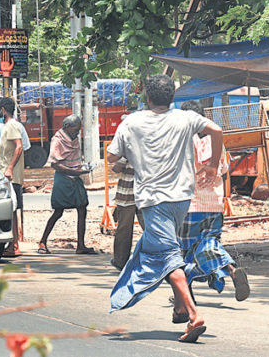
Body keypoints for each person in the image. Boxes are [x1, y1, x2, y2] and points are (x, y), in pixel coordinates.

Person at [107, 74, 223, 343]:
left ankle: (194, 315)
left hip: (153, 200)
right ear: (173, 97)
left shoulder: (132, 122)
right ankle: (180, 307)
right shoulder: (186, 118)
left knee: (168, 255)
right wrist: (213, 165)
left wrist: (132, 153)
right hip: (182, 199)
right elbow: (216, 131)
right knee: (163, 250)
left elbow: (112, 155)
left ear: (147, 96)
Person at [177, 100, 250, 303]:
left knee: (185, 251)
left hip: (189, 205)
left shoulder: (183, 141)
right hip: (215, 206)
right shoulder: (216, 140)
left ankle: (185, 298)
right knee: (209, 244)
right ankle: (232, 270)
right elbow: (224, 168)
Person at [37, 115, 94, 255]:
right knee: (58, 211)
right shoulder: (57, 140)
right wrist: (74, 172)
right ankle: (42, 241)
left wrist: (82, 169)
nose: (78, 132)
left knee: (82, 208)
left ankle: (80, 245)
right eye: (75, 129)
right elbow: (55, 164)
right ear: (67, 127)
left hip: (75, 178)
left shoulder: (74, 139)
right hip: (63, 179)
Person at [0, 97, 24, 257]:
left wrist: (10, 168)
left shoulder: (11, 125)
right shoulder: (8, 126)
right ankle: (13, 244)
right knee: (10, 210)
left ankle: (14, 245)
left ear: (3, 110)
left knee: (11, 210)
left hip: (10, 176)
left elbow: (19, 147)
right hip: (6, 174)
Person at [110, 157, 145, 270]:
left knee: (124, 230)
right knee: (151, 229)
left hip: (128, 194)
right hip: (145, 193)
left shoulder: (128, 147)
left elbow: (116, 168)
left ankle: (120, 261)